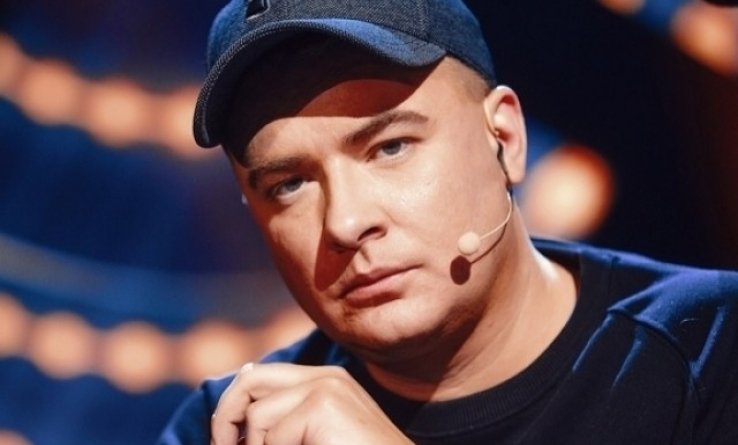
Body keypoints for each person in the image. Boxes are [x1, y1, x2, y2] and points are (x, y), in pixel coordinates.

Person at [157, 0, 738, 443]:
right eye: (290, 184)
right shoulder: (236, 425)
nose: (346, 222)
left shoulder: (713, 345)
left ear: (505, 139)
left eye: (390, 147)